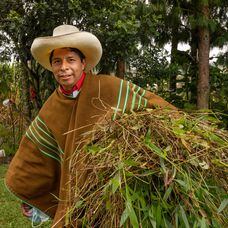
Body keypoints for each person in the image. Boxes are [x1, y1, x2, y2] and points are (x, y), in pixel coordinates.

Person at [5, 24, 176, 227]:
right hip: (76, 191)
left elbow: (156, 107)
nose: (64, 67)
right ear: (52, 67)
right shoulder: (51, 108)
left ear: (83, 63)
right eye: (57, 62)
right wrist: (28, 194)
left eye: (71, 60)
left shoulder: (109, 87)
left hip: (115, 188)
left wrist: (168, 156)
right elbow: (35, 152)